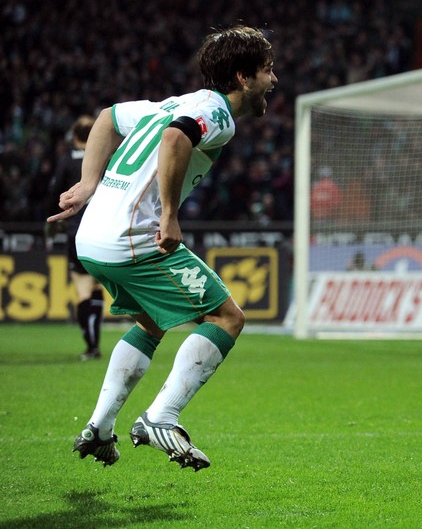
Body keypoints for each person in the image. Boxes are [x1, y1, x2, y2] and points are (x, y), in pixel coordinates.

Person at [47, 25, 277, 470]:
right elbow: (176, 138)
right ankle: (161, 417)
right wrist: (169, 213)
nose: (275, 79)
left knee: (151, 323)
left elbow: (107, 118)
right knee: (227, 317)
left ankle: (98, 427)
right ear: (244, 77)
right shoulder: (219, 113)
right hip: (133, 236)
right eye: (268, 70)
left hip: (93, 237)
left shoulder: (173, 102)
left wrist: (88, 184)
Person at [46, 115, 106, 360]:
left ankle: (91, 346)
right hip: (103, 230)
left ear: (74, 136)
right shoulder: (105, 159)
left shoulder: (66, 161)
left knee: (82, 290)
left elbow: (54, 194)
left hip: (76, 233)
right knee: (98, 286)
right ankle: (95, 339)